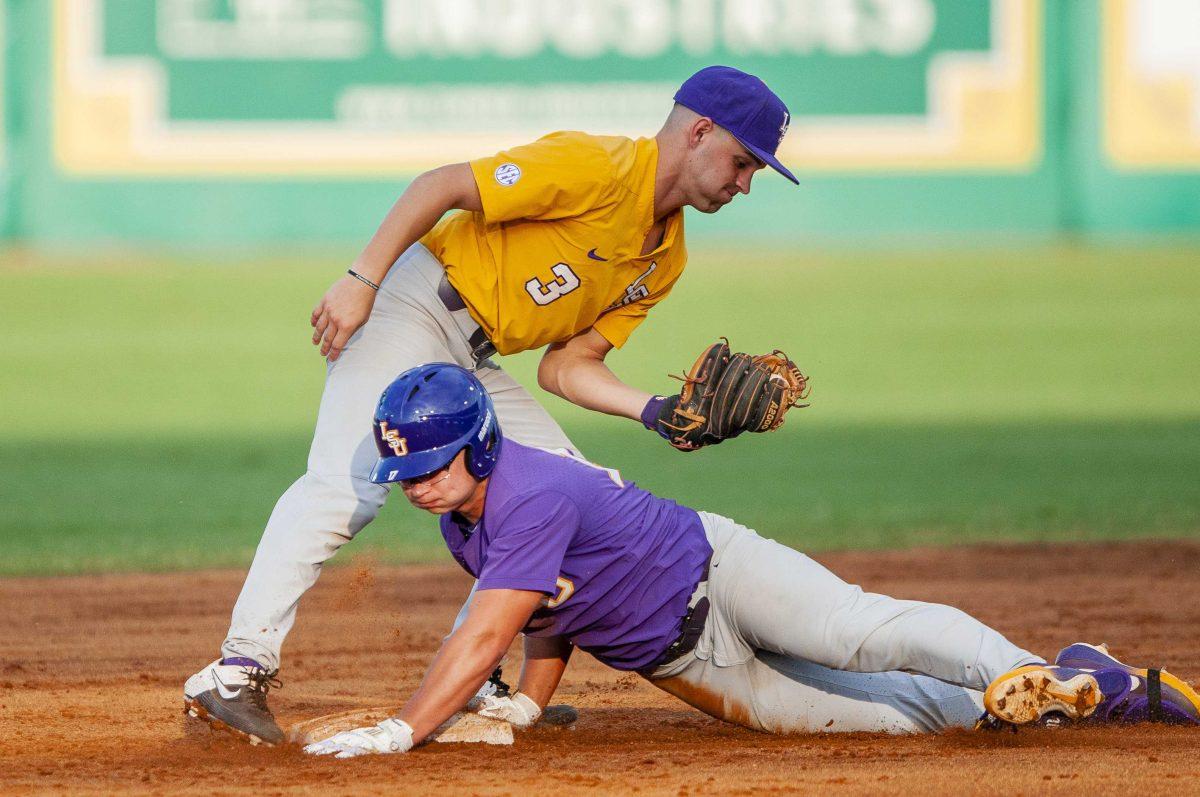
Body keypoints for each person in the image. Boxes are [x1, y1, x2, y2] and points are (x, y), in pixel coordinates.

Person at [183, 65, 801, 745]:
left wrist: (653, 410)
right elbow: (442, 186)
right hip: (416, 305)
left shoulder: (667, 255)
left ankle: (477, 686)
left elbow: (566, 366)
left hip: (474, 357)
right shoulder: (597, 166)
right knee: (348, 486)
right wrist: (364, 277)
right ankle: (237, 669)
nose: (745, 183)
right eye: (743, 162)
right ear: (700, 131)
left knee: (570, 487)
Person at [303, 364, 1200, 757]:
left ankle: (1025, 667)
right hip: (684, 661)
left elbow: (485, 631)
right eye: (405, 471)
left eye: (429, 463)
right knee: (902, 720)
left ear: (481, 445)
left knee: (859, 632)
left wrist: (404, 728)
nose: (415, 483)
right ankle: (1064, 694)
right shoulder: (465, 520)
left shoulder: (526, 493)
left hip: (719, 571)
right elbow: (548, 616)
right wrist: (529, 709)